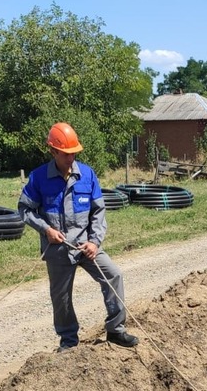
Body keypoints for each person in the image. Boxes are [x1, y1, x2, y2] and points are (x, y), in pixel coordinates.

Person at [18, 122, 138, 351]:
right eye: (65, 154)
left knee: (114, 275)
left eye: (74, 154)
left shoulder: (87, 175)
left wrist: (94, 242)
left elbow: (98, 212)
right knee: (61, 298)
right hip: (59, 249)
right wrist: (46, 230)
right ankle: (69, 341)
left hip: (86, 246)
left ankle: (116, 330)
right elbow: (24, 210)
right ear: (53, 151)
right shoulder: (38, 178)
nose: (70, 158)